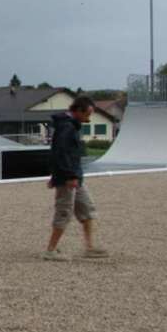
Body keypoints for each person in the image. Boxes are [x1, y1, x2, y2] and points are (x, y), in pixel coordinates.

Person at [42, 96, 108, 261]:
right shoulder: (67, 127)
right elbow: (61, 153)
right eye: (87, 114)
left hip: (74, 177)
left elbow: (59, 153)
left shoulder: (70, 126)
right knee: (64, 211)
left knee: (87, 208)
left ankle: (89, 247)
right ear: (78, 111)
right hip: (69, 178)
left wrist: (57, 174)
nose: (89, 118)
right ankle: (50, 250)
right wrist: (68, 176)